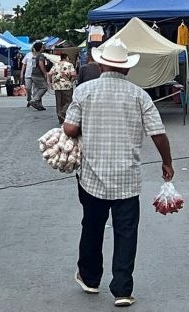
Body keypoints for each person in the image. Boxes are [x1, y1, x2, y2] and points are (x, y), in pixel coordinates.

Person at [63, 38, 174, 308]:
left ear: (101, 65)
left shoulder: (84, 91)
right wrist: (167, 162)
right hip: (127, 178)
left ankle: (89, 278)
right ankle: (122, 289)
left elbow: (69, 129)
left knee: (92, 226)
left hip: (91, 176)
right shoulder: (139, 95)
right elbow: (158, 133)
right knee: (126, 232)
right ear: (125, 69)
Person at [48, 53, 76, 124]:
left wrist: (51, 82)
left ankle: (60, 117)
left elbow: (49, 73)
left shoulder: (55, 64)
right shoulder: (69, 65)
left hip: (57, 86)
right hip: (67, 85)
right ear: (66, 57)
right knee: (68, 101)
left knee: (59, 102)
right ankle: (63, 113)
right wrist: (72, 78)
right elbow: (73, 74)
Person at [29, 42, 49, 111]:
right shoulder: (41, 55)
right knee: (44, 87)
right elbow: (41, 64)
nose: (43, 48)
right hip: (38, 74)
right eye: (43, 47)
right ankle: (34, 100)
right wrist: (45, 73)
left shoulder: (34, 55)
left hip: (33, 74)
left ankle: (39, 105)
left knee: (37, 89)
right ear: (40, 48)